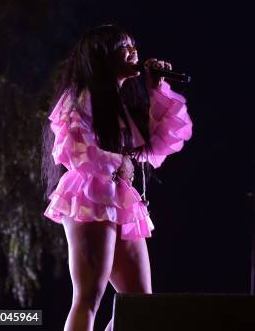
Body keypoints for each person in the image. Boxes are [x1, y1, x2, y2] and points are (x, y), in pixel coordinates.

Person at [41, 24, 193, 331]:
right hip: (89, 193)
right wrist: (118, 161)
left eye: (134, 44)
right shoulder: (80, 98)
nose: (134, 52)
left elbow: (158, 142)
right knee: (89, 298)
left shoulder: (119, 103)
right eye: (124, 46)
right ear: (103, 56)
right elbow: (74, 150)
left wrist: (156, 88)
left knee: (140, 304)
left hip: (119, 196)